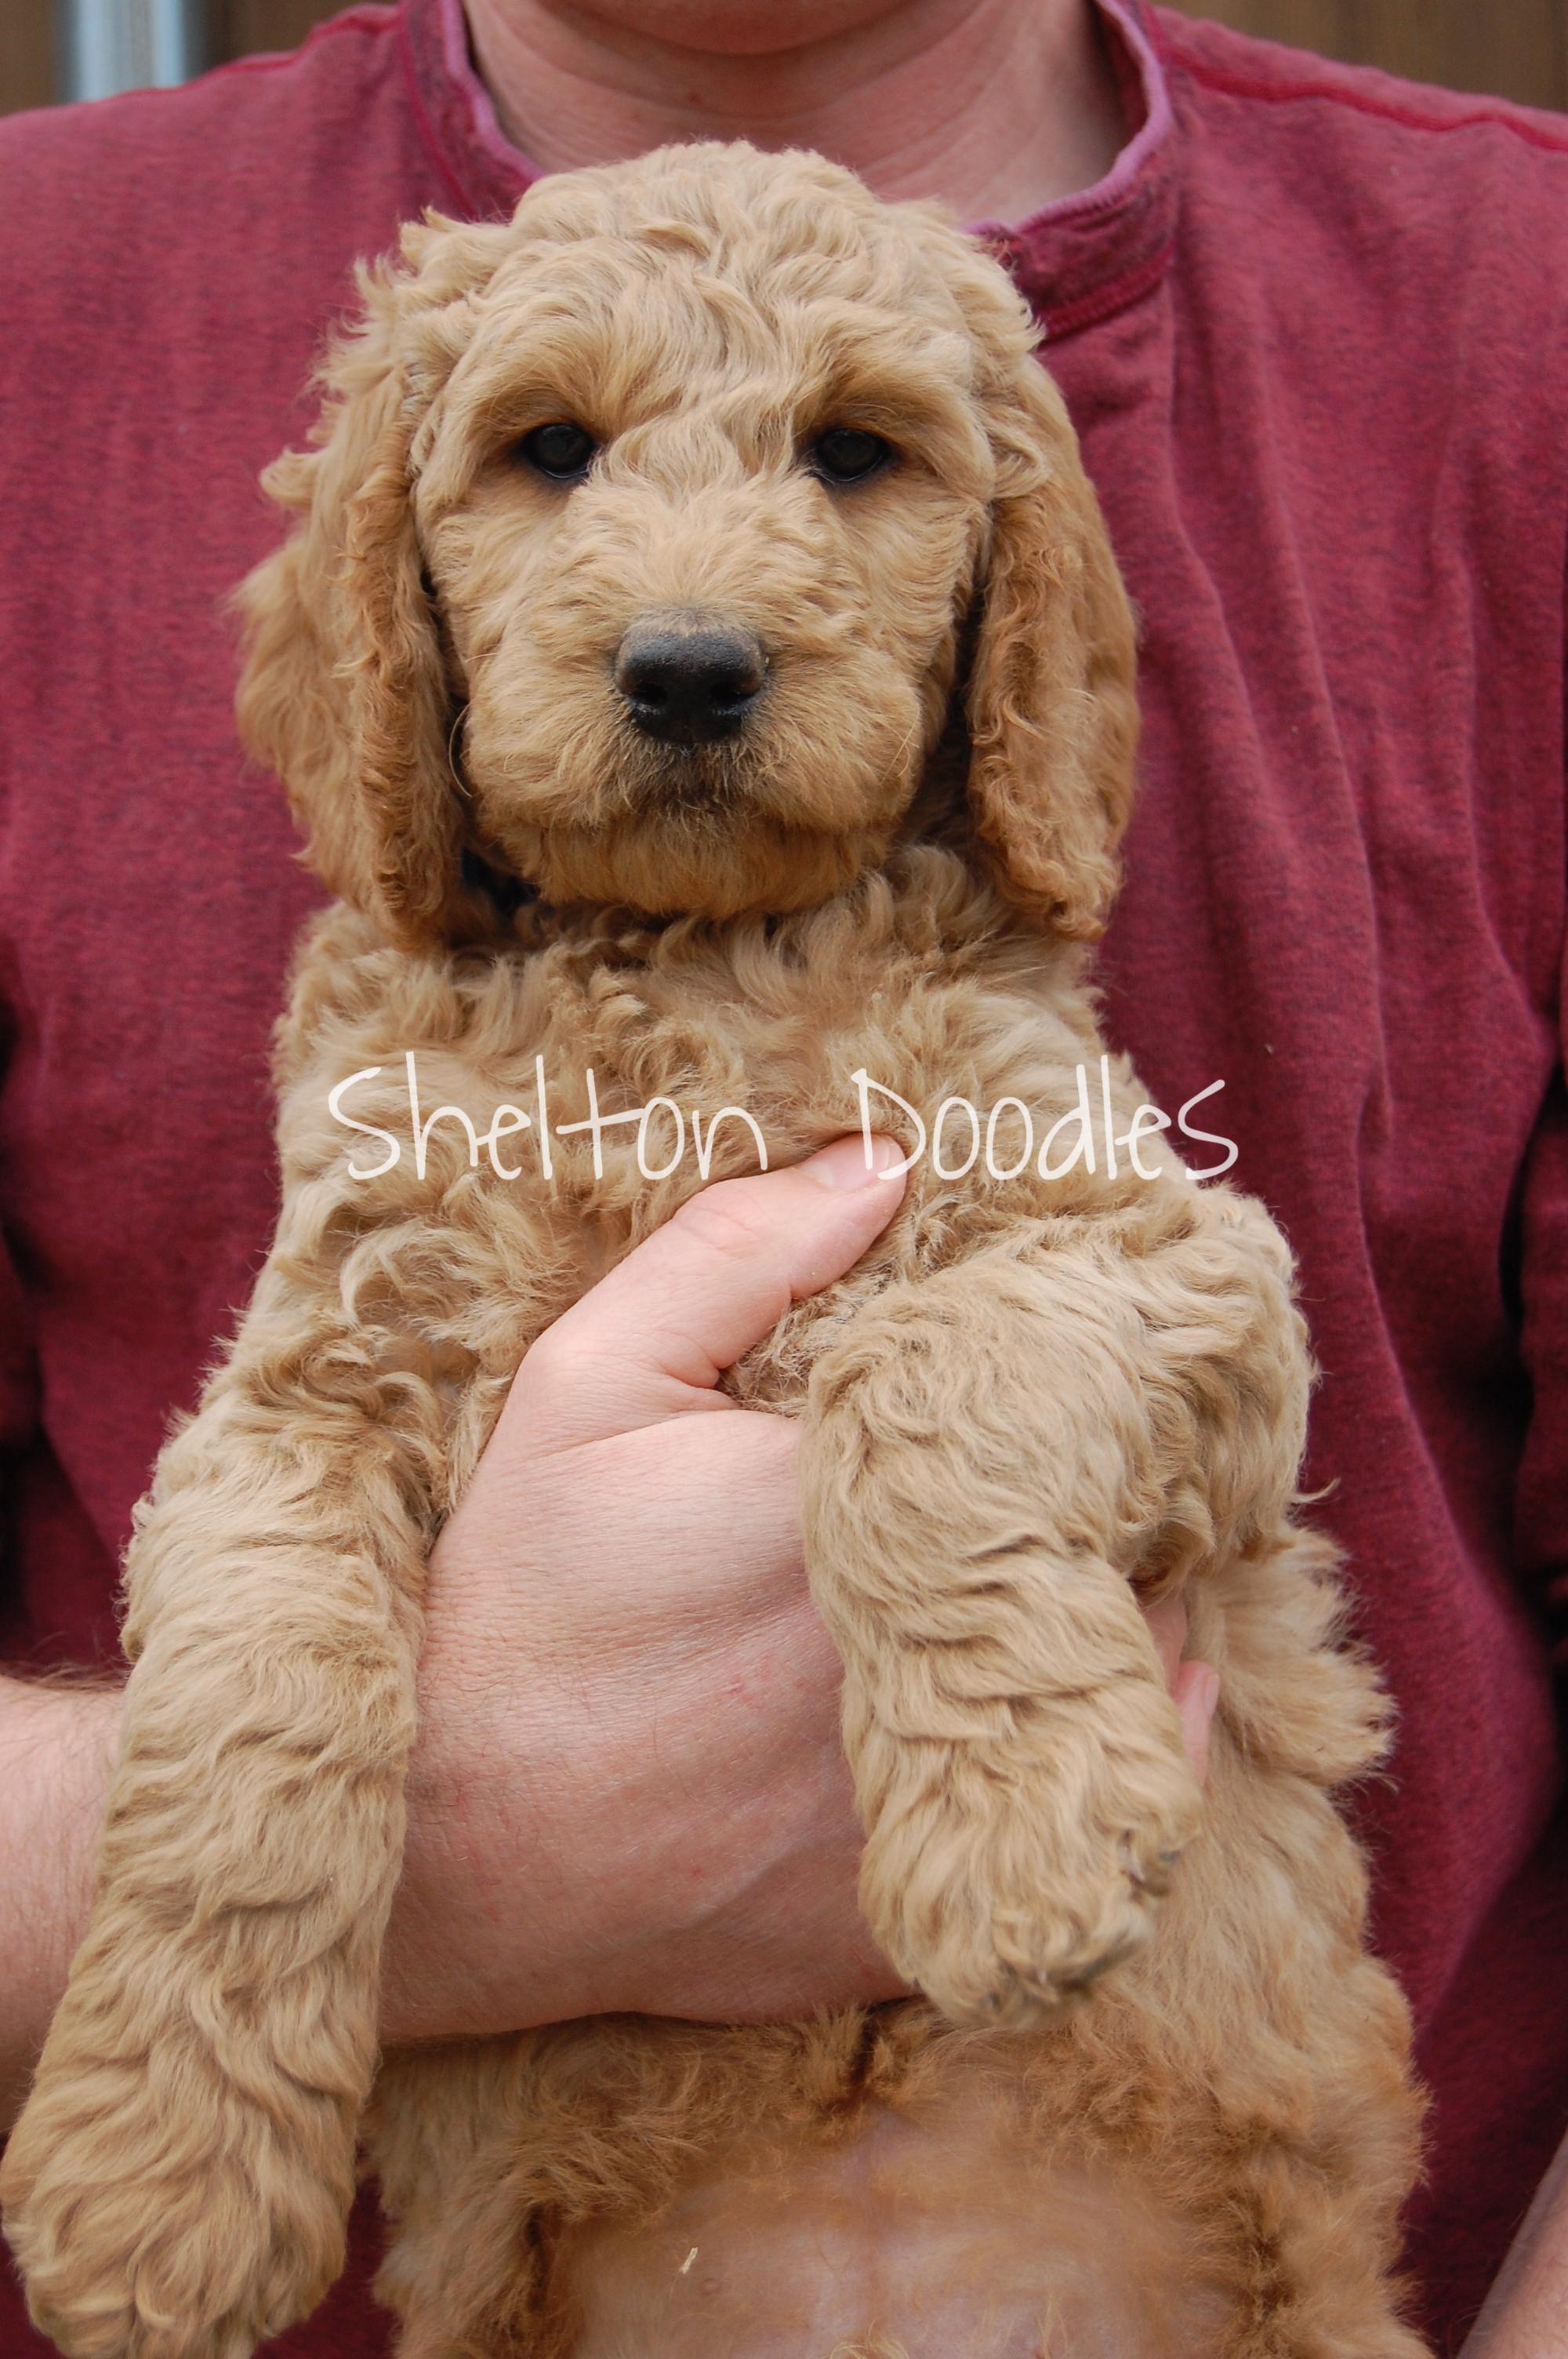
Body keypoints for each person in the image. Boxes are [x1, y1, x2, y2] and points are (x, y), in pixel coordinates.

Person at [0, 1, 1563, 2351]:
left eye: (853, 454)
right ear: (388, 603)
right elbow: (297, 1456)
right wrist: (355, 1889)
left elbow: (1193, 1316)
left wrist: (952, 1545)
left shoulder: (1519, 308)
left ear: (1017, 615)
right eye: (549, 452)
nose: (695, 618)